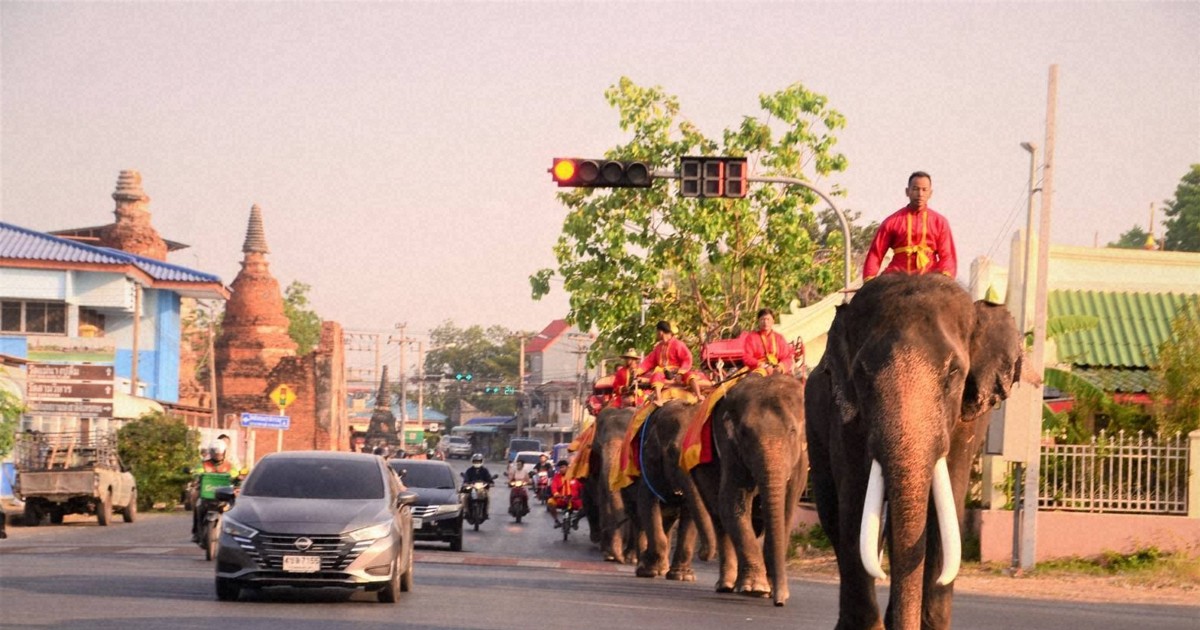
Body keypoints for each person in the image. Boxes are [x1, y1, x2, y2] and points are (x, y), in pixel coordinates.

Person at [862, 171, 958, 281]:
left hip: (930, 279)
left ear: (930, 193)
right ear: (907, 192)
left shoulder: (940, 222)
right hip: (896, 278)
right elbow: (875, 253)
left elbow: (947, 255)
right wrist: (869, 279)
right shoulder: (891, 222)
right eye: (915, 189)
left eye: (924, 190)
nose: (920, 194)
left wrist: (945, 277)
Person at [639, 320, 703, 405]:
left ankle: (699, 396)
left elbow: (687, 358)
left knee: (690, 375)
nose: (656, 334)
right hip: (663, 373)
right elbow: (649, 361)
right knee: (656, 375)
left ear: (661, 332)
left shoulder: (678, 344)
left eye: (657, 332)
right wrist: (638, 371)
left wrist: (680, 373)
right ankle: (659, 400)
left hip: (677, 372)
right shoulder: (658, 347)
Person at [192, 440, 236, 542]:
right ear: (211, 453)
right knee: (197, 506)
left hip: (224, 496)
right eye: (216, 453)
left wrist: (237, 476)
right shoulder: (204, 464)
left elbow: (235, 473)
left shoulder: (229, 465)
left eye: (220, 453)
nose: (218, 456)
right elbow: (197, 472)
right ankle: (196, 532)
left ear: (224, 453)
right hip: (206, 494)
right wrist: (196, 474)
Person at [742, 308, 795, 375]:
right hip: (759, 369)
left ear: (773, 321)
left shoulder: (779, 338)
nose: (765, 322)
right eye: (763, 319)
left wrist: (780, 367)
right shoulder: (751, 337)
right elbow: (747, 357)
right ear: (758, 321)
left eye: (768, 319)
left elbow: (787, 357)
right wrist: (763, 365)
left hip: (777, 369)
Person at [546, 459, 583, 529]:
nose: (561, 469)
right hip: (561, 499)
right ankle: (556, 521)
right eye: (560, 468)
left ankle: (576, 520)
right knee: (550, 502)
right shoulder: (557, 477)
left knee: (586, 507)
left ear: (567, 467)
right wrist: (556, 494)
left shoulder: (575, 477)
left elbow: (581, 487)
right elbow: (554, 487)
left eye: (563, 467)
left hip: (574, 500)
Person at [461, 453, 495, 518]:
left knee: (487, 497)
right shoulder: (469, 470)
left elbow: (489, 478)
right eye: (475, 461)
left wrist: (490, 483)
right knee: (465, 497)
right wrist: (466, 484)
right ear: (472, 461)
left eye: (478, 461)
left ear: (482, 461)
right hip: (472, 488)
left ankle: (486, 512)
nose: (477, 462)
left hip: (482, 489)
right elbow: (466, 479)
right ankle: (466, 512)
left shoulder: (485, 470)